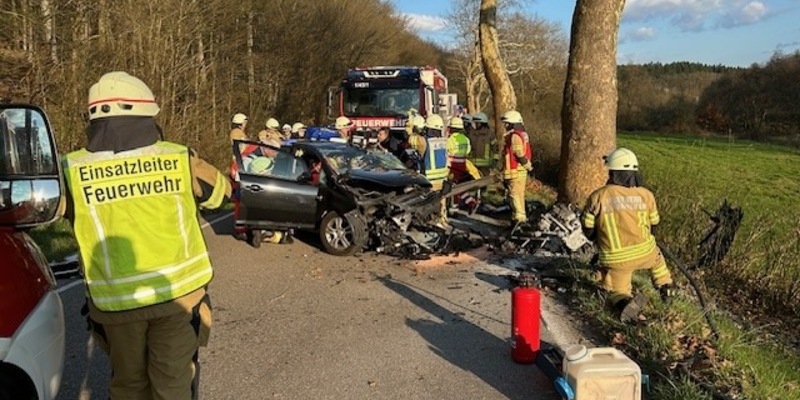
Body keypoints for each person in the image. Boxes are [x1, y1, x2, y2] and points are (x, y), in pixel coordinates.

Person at [62, 71, 231, 400]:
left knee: (128, 386)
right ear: (146, 113)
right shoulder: (177, 158)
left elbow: (47, 210)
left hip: (115, 305)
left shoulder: (71, 169)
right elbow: (219, 196)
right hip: (178, 298)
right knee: (173, 385)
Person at [581, 148, 676, 322]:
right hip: (646, 252)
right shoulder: (647, 195)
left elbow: (588, 227)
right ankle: (666, 287)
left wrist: (598, 241)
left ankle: (624, 303)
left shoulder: (599, 196)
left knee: (616, 290)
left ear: (613, 172)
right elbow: (654, 224)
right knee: (658, 262)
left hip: (617, 259)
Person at [500, 110, 533, 227]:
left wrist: (527, 165)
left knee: (515, 195)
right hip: (520, 171)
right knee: (519, 195)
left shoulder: (515, 136)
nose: (505, 126)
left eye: (507, 123)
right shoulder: (522, 134)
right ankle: (520, 217)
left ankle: (519, 220)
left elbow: (518, 153)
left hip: (515, 171)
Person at [446, 117, 479, 213]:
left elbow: (446, 152)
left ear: (451, 128)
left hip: (452, 167)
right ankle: (471, 202)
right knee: (459, 186)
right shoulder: (465, 139)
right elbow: (468, 151)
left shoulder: (450, 140)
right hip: (463, 166)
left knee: (453, 188)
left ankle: (454, 208)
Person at [468, 112, 495, 177]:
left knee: (484, 181)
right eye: (475, 123)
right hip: (473, 164)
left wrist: (495, 161)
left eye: (478, 123)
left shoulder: (490, 134)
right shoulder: (471, 133)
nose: (476, 124)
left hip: (485, 165)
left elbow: (495, 148)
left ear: (483, 123)